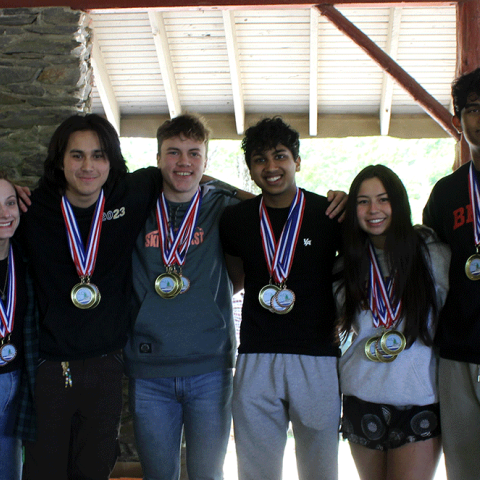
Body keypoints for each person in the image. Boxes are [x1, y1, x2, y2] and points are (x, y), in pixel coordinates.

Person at [15, 114, 163, 480]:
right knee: (43, 471)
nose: (88, 166)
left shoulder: (131, 193)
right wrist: (7, 192)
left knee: (94, 470)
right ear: (60, 160)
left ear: (111, 160)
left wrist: (254, 202)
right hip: (48, 367)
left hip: (106, 365)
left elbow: (185, 173)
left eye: (98, 155)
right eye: (76, 155)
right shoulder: (31, 209)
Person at [219, 117, 343, 480]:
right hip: (257, 354)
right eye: (260, 159)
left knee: (320, 468)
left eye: (280, 156)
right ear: (250, 168)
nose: (271, 167)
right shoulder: (236, 219)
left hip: (317, 355)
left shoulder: (329, 214)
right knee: (255, 470)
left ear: (297, 161)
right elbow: (233, 280)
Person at [123, 114, 242, 480]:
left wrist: (210, 181)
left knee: (209, 475)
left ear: (206, 161)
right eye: (173, 153)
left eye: (194, 154)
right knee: (159, 476)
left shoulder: (221, 205)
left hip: (210, 368)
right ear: (158, 158)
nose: (184, 162)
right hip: (149, 369)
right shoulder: (137, 205)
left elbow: (273, 205)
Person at [336, 165, 449, 480]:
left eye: (383, 199)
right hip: (361, 396)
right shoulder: (346, 263)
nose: (373, 210)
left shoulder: (433, 255)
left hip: (418, 399)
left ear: (397, 203)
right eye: (363, 201)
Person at [423, 67, 480, 480]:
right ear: (459, 121)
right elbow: (429, 272)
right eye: (473, 109)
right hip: (458, 352)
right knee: (464, 468)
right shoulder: (446, 193)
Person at [0, 173, 34, 480]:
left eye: (10, 203)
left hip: (15, 377)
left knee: (10, 467)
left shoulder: (22, 257)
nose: (3, 214)